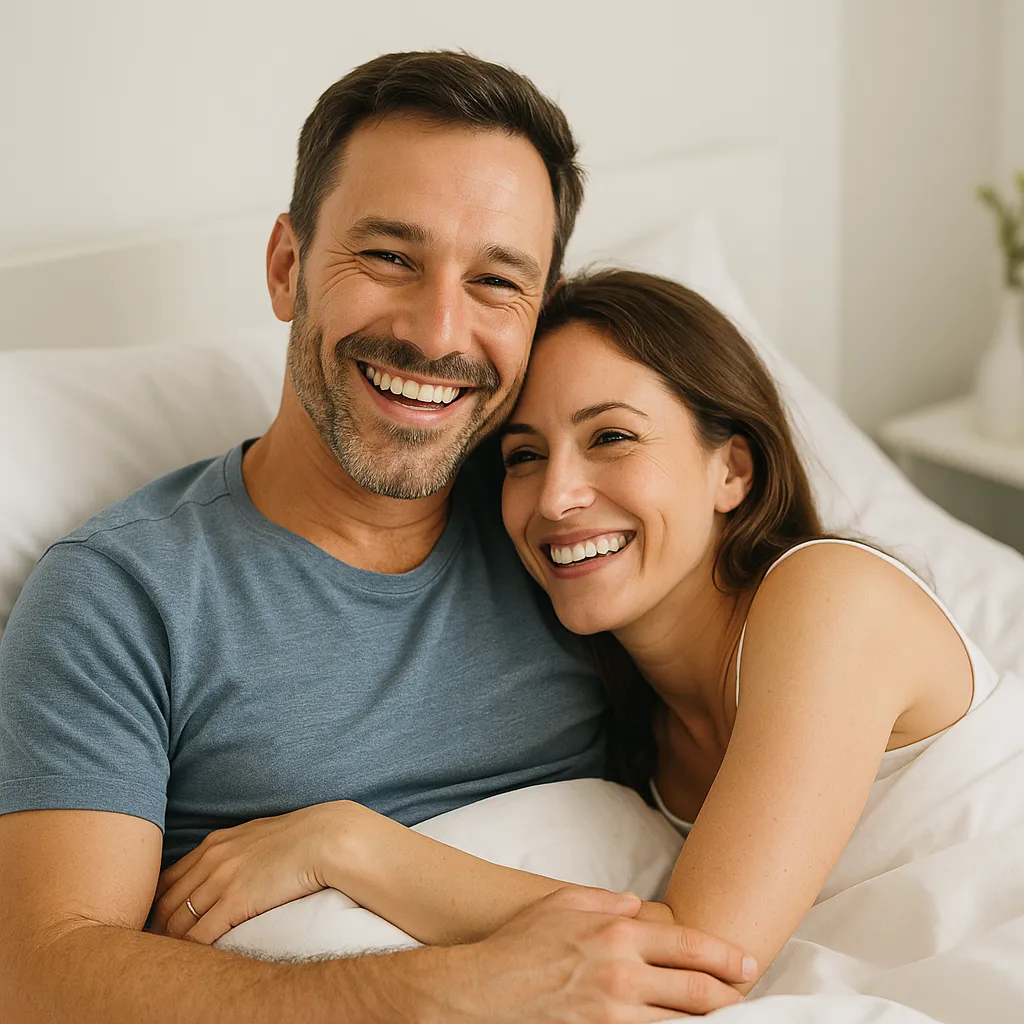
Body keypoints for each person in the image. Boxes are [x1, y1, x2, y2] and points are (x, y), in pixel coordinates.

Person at [0, 55, 754, 1023]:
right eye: (391, 257)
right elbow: (39, 976)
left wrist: (346, 844)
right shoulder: (124, 595)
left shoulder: (567, 538)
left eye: (495, 281)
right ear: (286, 267)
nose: (438, 331)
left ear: (537, 314)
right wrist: (459, 990)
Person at [150, 269, 997, 995]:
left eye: (612, 438)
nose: (557, 498)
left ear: (731, 469)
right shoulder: (625, 720)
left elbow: (695, 956)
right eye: (524, 456)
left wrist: (344, 844)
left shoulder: (828, 596)